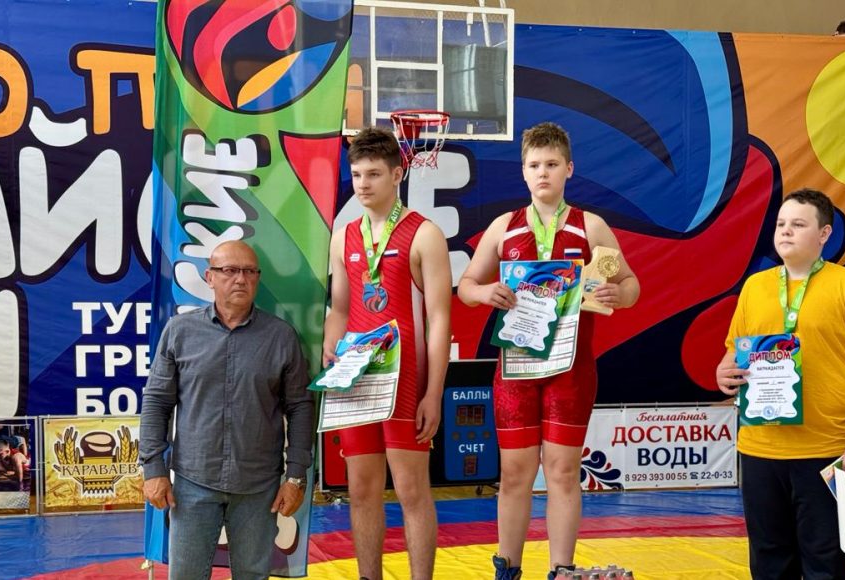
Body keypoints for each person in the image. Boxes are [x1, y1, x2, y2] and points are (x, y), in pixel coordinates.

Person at [457, 122, 641, 580]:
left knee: (561, 473)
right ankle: (508, 569)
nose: (543, 173)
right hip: (516, 371)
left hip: (570, 370)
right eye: (535, 165)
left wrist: (620, 294)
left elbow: (630, 283)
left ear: (569, 169)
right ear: (523, 172)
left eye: (552, 164)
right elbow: (466, 285)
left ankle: (562, 570)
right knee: (514, 474)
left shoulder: (590, 226)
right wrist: (485, 293)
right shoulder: (504, 228)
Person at [715, 189, 845, 579]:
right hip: (760, 451)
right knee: (768, 563)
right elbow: (734, 352)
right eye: (781, 223)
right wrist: (724, 372)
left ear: (824, 234)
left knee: (829, 566)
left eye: (798, 224)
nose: (786, 231)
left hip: (832, 453)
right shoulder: (755, 286)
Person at [139, 240, 314, 580]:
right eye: (230, 270)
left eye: (249, 271)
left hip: (259, 487)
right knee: (186, 576)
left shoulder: (281, 337)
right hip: (192, 482)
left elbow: (300, 408)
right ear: (209, 277)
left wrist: (295, 476)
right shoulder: (179, 332)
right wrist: (153, 469)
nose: (240, 279)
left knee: (253, 575)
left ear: (258, 278)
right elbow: (157, 402)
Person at [323, 126, 452, 580]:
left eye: (374, 174)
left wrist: (433, 394)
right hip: (359, 382)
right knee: (361, 490)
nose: (362, 184)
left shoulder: (425, 234)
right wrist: (330, 347)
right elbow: (340, 310)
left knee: (412, 490)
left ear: (397, 175)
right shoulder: (343, 236)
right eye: (357, 174)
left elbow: (440, 320)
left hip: (406, 381)